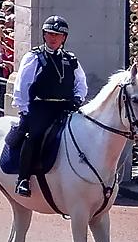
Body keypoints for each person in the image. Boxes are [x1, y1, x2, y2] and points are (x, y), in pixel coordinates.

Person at [11, 15, 87, 198]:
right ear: (44, 35)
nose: (53, 38)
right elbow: (22, 84)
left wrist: (78, 98)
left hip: (66, 107)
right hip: (41, 107)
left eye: (57, 35)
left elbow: (81, 83)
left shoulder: (71, 59)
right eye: (50, 34)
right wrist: (24, 110)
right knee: (34, 136)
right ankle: (23, 179)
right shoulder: (34, 57)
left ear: (64, 38)